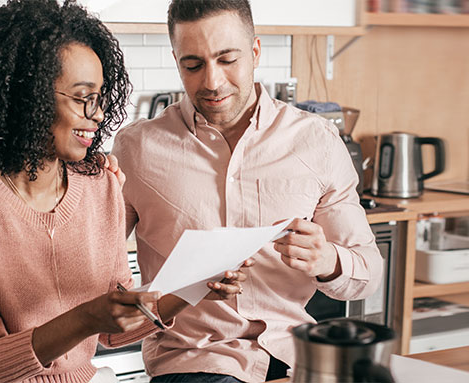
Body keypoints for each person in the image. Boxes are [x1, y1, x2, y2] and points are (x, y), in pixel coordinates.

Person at [0, 1, 250, 382]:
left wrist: (197, 287)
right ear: (25, 96)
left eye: (100, 96)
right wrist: (85, 316)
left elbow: (113, 325)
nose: (99, 113)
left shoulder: (98, 185)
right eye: (83, 96)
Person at [111, 0, 385, 381]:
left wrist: (328, 261)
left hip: (297, 352)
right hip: (197, 359)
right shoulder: (137, 150)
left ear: (255, 52)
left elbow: (369, 272)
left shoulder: (315, 141)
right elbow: (99, 276)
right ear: (176, 61)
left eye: (227, 60)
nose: (212, 82)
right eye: (193, 65)